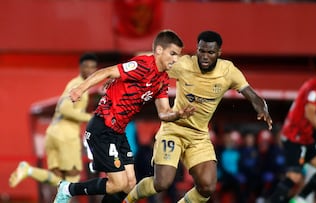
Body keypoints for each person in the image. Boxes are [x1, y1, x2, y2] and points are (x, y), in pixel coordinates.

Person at [123, 30, 272, 203]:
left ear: (219, 53)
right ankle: (128, 200)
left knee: (207, 187)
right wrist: (129, 68)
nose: (205, 56)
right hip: (174, 129)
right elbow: (152, 61)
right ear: (197, 49)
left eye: (210, 52)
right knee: (162, 182)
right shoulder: (184, 64)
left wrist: (262, 108)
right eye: (201, 51)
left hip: (199, 135)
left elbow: (252, 94)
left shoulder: (228, 71)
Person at [53, 29, 195, 203]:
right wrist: (80, 89)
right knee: (117, 184)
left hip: (118, 132)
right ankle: (68, 188)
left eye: (178, 55)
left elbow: (164, 112)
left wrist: (178, 114)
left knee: (129, 184)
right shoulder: (143, 64)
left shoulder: (163, 79)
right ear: (159, 50)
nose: (176, 59)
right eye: (172, 53)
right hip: (102, 127)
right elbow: (106, 72)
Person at [9, 53, 98, 188]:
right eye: (86, 67)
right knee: (72, 179)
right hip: (66, 135)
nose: (90, 70)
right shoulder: (79, 85)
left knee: (59, 180)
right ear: (80, 68)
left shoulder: (73, 84)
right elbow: (64, 109)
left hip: (52, 133)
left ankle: (29, 170)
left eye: (93, 67)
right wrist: (91, 117)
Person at [268, 57, 316, 203]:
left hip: (305, 137)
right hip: (294, 137)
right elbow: (309, 113)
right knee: (294, 176)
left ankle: (300, 199)